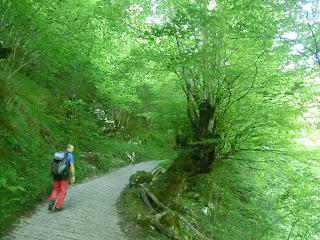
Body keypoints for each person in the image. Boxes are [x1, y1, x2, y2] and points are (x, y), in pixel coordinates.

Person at [48, 144, 76, 211]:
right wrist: (73, 176)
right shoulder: (70, 155)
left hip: (56, 174)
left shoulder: (59, 154)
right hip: (64, 175)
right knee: (63, 190)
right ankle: (58, 206)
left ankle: (52, 200)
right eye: (72, 148)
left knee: (55, 189)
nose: (73, 150)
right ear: (68, 148)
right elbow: (71, 166)